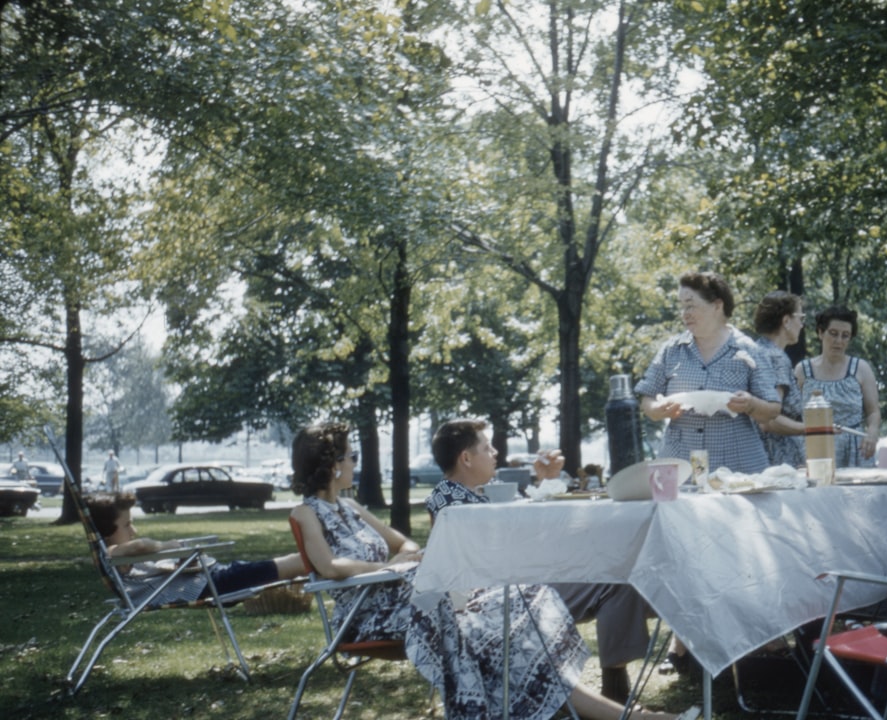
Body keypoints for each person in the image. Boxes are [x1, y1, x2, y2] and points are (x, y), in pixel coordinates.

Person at [290, 422, 698, 720]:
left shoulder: (351, 507)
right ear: (330, 464)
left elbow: (406, 545)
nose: (354, 463)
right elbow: (327, 566)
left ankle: (603, 713)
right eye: (350, 456)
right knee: (501, 615)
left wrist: (404, 557)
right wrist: (388, 566)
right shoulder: (306, 512)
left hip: (409, 596)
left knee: (513, 609)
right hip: (371, 614)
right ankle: (623, 716)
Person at [424, 419, 655, 704]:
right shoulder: (448, 499)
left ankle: (615, 684)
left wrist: (545, 480)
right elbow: (483, 556)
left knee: (618, 578)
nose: (496, 452)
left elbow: (537, 527)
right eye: (488, 447)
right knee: (614, 581)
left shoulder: (492, 490)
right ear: (466, 458)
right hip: (500, 597)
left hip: (530, 582)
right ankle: (616, 698)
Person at [635, 271, 781, 475]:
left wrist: (751, 404)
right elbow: (647, 397)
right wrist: (656, 409)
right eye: (682, 306)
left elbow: (773, 409)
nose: (685, 313)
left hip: (737, 467)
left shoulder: (748, 350)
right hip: (681, 464)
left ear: (717, 305)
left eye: (691, 305)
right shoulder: (672, 350)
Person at [86, 492, 305, 603]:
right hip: (206, 587)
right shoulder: (111, 554)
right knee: (262, 570)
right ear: (106, 531)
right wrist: (170, 546)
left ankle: (314, 560)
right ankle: (315, 560)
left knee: (256, 570)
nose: (132, 530)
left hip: (207, 579)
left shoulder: (118, 558)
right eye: (126, 525)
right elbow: (141, 545)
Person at [794, 305, 881, 467]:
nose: (838, 341)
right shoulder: (803, 371)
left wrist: (872, 432)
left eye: (845, 336)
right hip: (816, 448)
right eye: (833, 334)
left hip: (855, 450)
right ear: (821, 332)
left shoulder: (861, 369)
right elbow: (792, 414)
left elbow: (873, 411)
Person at [753, 291, 807, 467]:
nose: (801, 324)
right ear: (786, 321)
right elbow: (769, 420)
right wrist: (814, 429)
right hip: (779, 459)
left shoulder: (756, 350)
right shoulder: (777, 359)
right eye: (800, 317)